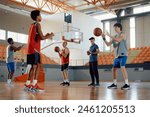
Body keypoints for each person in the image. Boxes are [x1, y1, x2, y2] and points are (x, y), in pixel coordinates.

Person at [24, 10, 54, 92]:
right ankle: (34, 85)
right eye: (40, 15)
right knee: (37, 66)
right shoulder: (38, 24)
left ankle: (28, 84)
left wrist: (46, 35)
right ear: (37, 17)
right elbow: (43, 38)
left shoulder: (32, 25)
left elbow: (39, 37)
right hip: (35, 49)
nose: (41, 17)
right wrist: (50, 35)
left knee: (33, 67)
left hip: (30, 49)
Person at [102, 22, 130, 90]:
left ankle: (127, 84)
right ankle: (114, 84)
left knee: (123, 68)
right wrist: (104, 38)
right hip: (117, 55)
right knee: (114, 69)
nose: (114, 29)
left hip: (123, 54)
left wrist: (109, 35)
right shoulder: (114, 36)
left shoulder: (123, 34)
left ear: (119, 27)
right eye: (114, 28)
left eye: (115, 27)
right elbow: (108, 44)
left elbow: (119, 40)